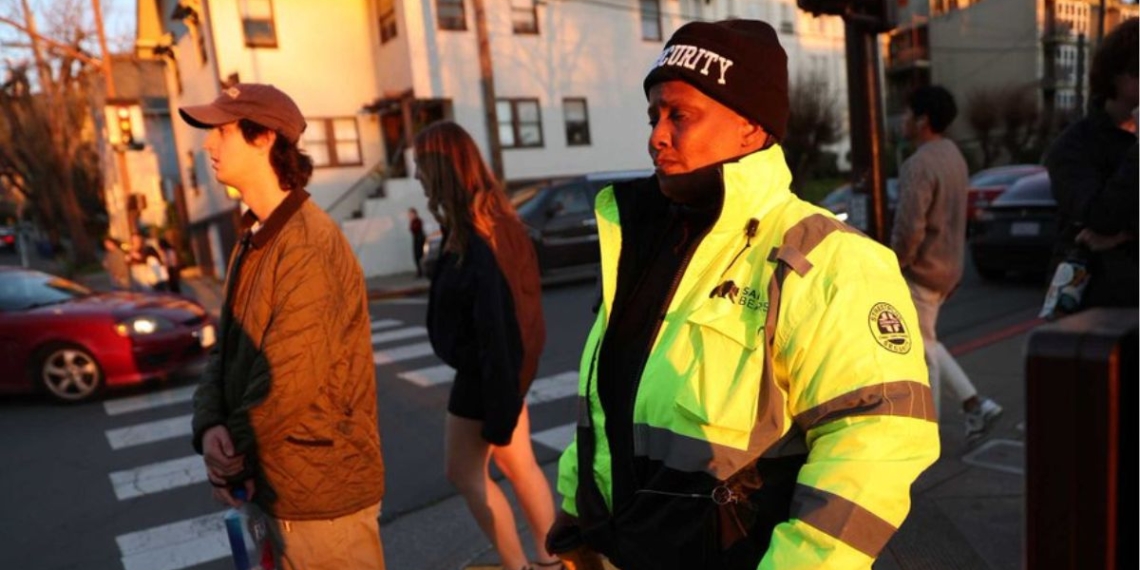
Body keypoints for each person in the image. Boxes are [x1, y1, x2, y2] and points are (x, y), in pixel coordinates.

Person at [548, 19, 939, 570]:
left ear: (751, 129)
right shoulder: (640, 245)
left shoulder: (830, 259)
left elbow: (875, 441)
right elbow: (606, 401)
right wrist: (575, 510)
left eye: (679, 115)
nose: (657, 136)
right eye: (654, 116)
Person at [181, 83, 386, 570]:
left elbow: (287, 383)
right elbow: (227, 351)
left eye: (222, 131)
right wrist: (210, 427)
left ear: (265, 138)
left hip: (322, 498)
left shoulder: (308, 245)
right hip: (279, 486)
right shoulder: (254, 238)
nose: (208, 143)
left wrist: (231, 457)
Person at [413, 121, 558, 570]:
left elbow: (501, 327)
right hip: (503, 376)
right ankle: (553, 559)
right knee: (519, 464)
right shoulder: (494, 225)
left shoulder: (480, 238)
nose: (417, 176)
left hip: (487, 377)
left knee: (464, 472)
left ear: (442, 170)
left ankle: (519, 565)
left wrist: (501, 401)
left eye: (421, 166)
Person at [891, 85, 1004, 439]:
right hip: (948, 268)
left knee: (921, 351)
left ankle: (927, 433)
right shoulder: (954, 154)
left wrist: (893, 264)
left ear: (922, 120)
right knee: (928, 340)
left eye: (907, 113)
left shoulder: (918, 164)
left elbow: (909, 227)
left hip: (921, 271)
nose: (902, 120)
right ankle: (974, 404)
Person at [1044, 18, 1138, 310]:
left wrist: (1125, 233)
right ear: (1116, 75)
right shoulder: (1073, 146)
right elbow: (1099, 216)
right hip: (1100, 307)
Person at [408, 207, 427, 277]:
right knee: (417, 256)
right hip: (416, 239)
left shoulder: (418, 221)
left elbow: (415, 229)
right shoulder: (413, 221)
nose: (410, 216)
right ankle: (420, 271)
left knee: (420, 255)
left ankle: (422, 271)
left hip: (420, 239)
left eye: (411, 214)